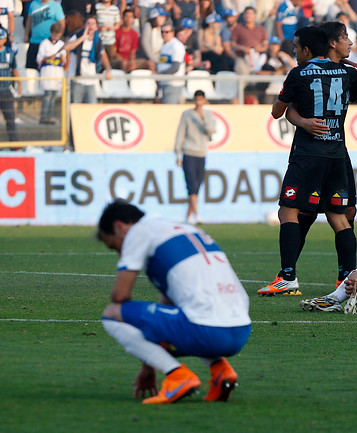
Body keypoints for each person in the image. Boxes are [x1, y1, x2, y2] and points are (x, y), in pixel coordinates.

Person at [97, 200, 251, 404]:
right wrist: (148, 365)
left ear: (119, 226)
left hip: (208, 331)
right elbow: (168, 305)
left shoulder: (139, 231)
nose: (119, 253)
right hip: (240, 331)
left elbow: (120, 296)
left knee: (113, 313)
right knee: (185, 314)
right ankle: (220, 370)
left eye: (114, 245)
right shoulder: (185, 228)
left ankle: (178, 376)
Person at [257, 26, 357, 296]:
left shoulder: (299, 74)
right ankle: (346, 279)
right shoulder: (346, 72)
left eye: (296, 48)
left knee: (288, 211)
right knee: (338, 217)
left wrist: (301, 118)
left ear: (306, 50)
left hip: (308, 154)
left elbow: (276, 112)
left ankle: (287, 277)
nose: (295, 53)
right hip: (337, 153)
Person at [281, 21, 357, 288]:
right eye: (345, 37)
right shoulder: (338, 72)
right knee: (309, 213)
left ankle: (338, 276)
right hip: (323, 152)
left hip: (329, 152)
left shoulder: (337, 72)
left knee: (346, 210)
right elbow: (290, 108)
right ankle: (289, 273)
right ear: (331, 43)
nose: (350, 41)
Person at [175, 90, 217, 224]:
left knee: (197, 186)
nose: (198, 102)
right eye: (196, 99)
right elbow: (180, 133)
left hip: (201, 152)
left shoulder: (208, 115)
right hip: (189, 152)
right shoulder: (187, 114)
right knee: (191, 184)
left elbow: (210, 130)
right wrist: (178, 152)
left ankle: (188, 216)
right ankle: (197, 214)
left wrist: (202, 117)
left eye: (201, 99)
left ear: (204, 101)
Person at [66, 15, 113, 104]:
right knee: (75, 108)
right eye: (88, 23)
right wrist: (82, 38)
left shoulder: (97, 41)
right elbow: (67, 47)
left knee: (91, 108)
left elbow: (103, 55)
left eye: (93, 24)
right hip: (77, 80)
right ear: (84, 26)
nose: (90, 26)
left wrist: (108, 68)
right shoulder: (77, 36)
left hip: (90, 80)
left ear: (96, 27)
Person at [0, 27, 20, 143]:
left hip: (5, 90)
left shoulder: (10, 53)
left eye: (1, 37)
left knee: (10, 118)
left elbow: (14, 69)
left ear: (5, 39)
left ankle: (14, 144)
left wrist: (20, 84)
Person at [36, 22, 67, 125]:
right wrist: (48, 57)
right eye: (55, 34)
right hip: (48, 72)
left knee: (54, 96)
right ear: (51, 32)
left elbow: (64, 60)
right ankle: (43, 116)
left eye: (58, 35)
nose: (56, 37)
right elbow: (39, 58)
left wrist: (63, 59)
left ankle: (50, 116)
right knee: (47, 95)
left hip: (57, 73)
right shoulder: (44, 43)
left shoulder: (61, 44)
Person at [24, 0, 66, 71]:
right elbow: (29, 20)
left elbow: (62, 23)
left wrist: (58, 38)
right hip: (34, 41)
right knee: (30, 69)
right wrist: (26, 35)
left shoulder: (56, 6)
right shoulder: (33, 4)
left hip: (49, 44)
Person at [230, 7, 268, 75]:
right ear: (243, 15)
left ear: (255, 16)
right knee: (242, 73)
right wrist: (242, 48)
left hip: (258, 57)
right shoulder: (238, 28)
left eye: (250, 13)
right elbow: (232, 44)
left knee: (261, 72)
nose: (248, 15)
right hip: (242, 57)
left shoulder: (261, 28)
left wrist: (260, 49)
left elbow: (266, 45)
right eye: (246, 13)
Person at [156, 23, 186, 104]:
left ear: (172, 33)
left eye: (167, 32)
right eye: (162, 32)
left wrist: (160, 75)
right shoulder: (164, 45)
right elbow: (163, 64)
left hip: (173, 83)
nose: (164, 34)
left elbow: (175, 67)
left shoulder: (176, 46)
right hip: (165, 83)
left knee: (169, 110)